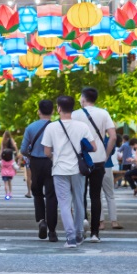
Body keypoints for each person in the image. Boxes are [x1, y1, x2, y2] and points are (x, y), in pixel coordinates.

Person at [41, 95, 97, 249]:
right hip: (78, 169)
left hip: (59, 169)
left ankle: (70, 238)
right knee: (79, 201)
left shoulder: (51, 127)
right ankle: (79, 234)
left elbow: (46, 151)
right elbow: (93, 147)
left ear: (58, 108)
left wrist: (56, 157)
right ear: (72, 108)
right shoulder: (82, 126)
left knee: (64, 204)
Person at [71, 86, 119, 239]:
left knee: (80, 194)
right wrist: (105, 154)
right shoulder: (104, 113)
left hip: (80, 160)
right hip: (98, 160)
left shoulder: (74, 115)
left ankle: (82, 223)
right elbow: (113, 136)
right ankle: (95, 233)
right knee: (96, 196)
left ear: (83, 99)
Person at [20, 99, 58, 242]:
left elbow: (23, 149)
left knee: (37, 193)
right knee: (51, 196)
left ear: (38, 111)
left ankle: (42, 220)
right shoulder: (57, 127)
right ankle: (52, 231)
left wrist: (32, 155)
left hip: (35, 163)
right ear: (53, 111)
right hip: (52, 162)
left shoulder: (30, 127)